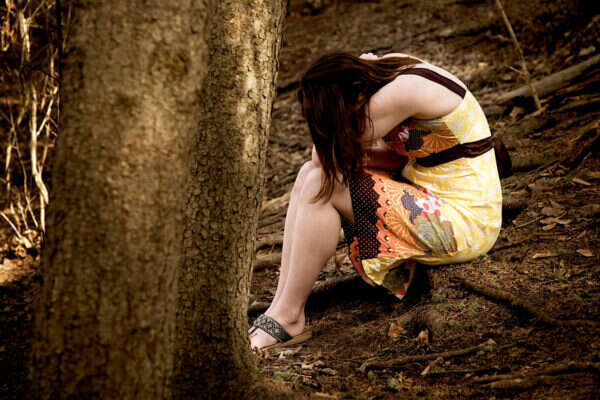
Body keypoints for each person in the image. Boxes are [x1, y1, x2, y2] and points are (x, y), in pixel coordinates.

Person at [248, 52, 503, 350]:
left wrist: (335, 129)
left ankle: (288, 316)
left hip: (465, 223)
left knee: (322, 182)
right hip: (437, 198)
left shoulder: (393, 98)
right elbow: (391, 157)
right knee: (310, 174)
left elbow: (324, 155)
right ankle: (280, 308)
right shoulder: (392, 69)